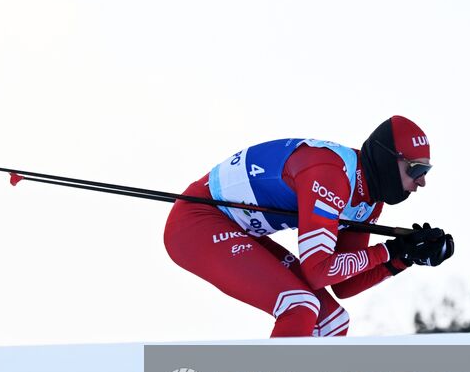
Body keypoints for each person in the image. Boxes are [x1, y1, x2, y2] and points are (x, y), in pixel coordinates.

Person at [163, 116, 454, 338]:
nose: (422, 181)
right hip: (197, 221)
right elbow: (317, 271)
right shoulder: (331, 175)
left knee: (332, 320)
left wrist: (402, 258)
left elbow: (344, 284)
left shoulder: (368, 200)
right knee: (299, 303)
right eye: (416, 169)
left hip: (238, 227)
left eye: (426, 172)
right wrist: (386, 252)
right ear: (390, 162)